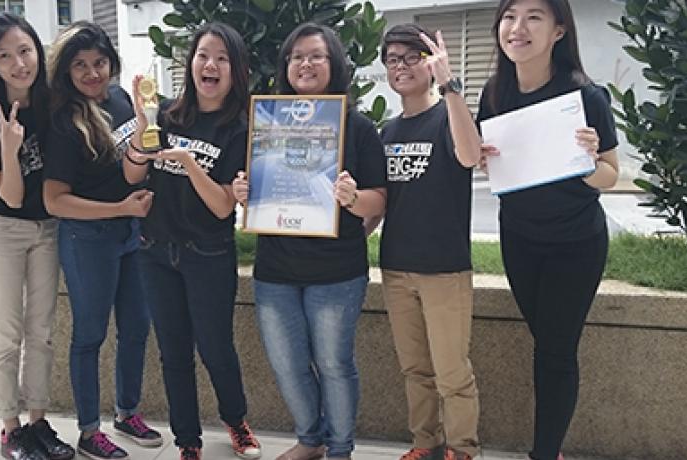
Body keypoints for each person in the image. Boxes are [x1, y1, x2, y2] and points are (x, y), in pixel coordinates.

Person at [233, 22, 387, 460]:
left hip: (337, 273)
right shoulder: (267, 124)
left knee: (335, 366)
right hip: (276, 271)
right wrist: (244, 191)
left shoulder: (356, 127)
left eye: (316, 55)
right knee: (287, 365)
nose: (305, 64)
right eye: (296, 56)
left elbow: (380, 200)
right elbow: (254, 189)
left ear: (333, 63)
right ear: (286, 66)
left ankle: (339, 449)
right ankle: (311, 440)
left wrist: (353, 198)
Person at [475, 1, 619, 459]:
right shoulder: (494, 93)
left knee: (555, 351)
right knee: (546, 342)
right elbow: (491, 157)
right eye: (510, 16)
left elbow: (611, 176)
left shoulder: (586, 96)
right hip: (518, 238)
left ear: (559, 31)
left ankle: (545, 453)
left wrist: (587, 163)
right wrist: (483, 158)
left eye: (534, 17)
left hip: (575, 243)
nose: (518, 28)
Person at [123, 22, 261, 460]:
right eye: (204, 54)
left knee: (216, 349)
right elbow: (132, 174)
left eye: (222, 57)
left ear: (235, 70)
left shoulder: (239, 129)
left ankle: (236, 420)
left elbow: (223, 206)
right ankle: (188, 442)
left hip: (208, 253)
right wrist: (140, 129)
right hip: (155, 251)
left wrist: (187, 161)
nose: (211, 64)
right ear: (191, 63)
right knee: (173, 352)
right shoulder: (164, 114)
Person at [43, 21, 162, 460]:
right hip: (87, 237)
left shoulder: (120, 100)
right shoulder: (63, 122)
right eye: (81, 66)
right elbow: (55, 200)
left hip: (130, 233)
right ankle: (89, 431)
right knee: (90, 335)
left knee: (136, 327)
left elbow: (133, 166)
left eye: (99, 63)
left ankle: (126, 412)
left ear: (111, 63)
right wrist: (119, 209)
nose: (93, 73)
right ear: (67, 73)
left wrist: (145, 131)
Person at [0, 13, 75, 460]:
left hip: (45, 228)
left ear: (38, 52)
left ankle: (38, 422)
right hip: (2, 229)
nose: (18, 63)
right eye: (5, 56)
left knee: (41, 331)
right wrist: (9, 148)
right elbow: (10, 196)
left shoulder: (52, 106)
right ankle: (11, 431)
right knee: (7, 332)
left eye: (25, 50)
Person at [375, 23, 482, 460]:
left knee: (453, 373)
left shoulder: (449, 114)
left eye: (411, 56)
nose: (402, 66)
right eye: (393, 59)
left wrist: (449, 83)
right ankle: (426, 443)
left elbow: (471, 155)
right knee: (415, 369)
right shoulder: (386, 131)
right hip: (396, 267)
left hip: (444, 269)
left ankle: (463, 449)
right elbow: (380, 202)